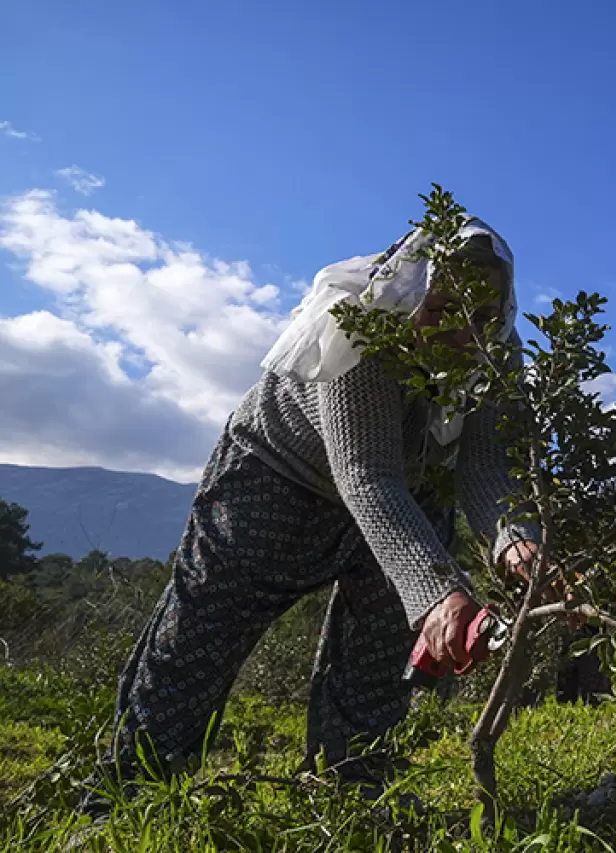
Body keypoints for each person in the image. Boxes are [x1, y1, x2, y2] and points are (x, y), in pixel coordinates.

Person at [86, 216, 541, 807]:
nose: (464, 333)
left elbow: (485, 467)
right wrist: (437, 590)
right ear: (411, 292)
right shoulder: (362, 325)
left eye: (482, 314)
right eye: (444, 308)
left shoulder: (496, 353)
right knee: (202, 637)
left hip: (406, 492)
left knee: (379, 653)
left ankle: (350, 789)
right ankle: (128, 795)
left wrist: (518, 544)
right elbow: (367, 475)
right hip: (278, 478)